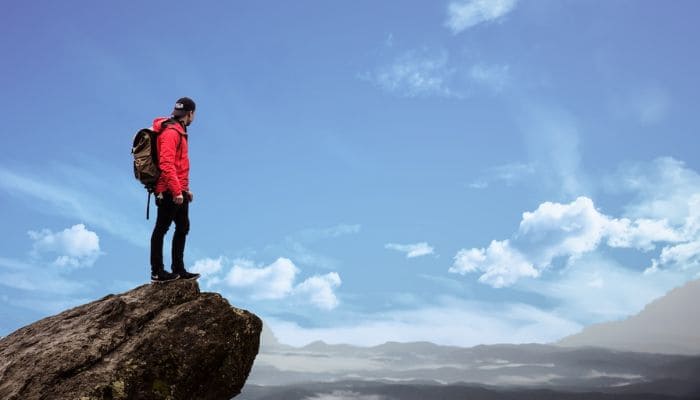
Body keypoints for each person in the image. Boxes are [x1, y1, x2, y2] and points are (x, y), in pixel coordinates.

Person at [149, 97, 201, 283]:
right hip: (167, 189)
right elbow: (166, 164)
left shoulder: (180, 130)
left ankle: (178, 269)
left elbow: (179, 165)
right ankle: (157, 272)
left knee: (183, 227)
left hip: (178, 189)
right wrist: (177, 191)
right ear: (191, 114)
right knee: (161, 229)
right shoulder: (171, 132)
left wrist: (185, 190)